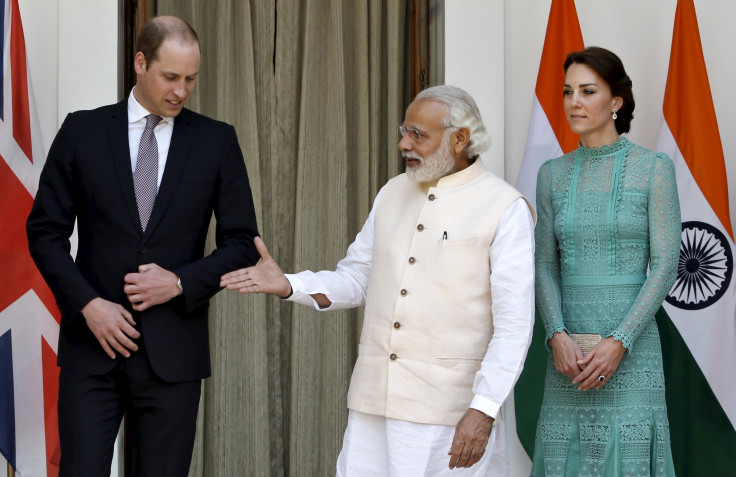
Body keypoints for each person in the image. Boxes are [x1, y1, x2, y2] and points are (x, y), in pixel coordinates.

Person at [221, 85, 536, 476]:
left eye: (418, 134)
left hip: (450, 413)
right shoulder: (392, 192)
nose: (405, 143)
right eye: (404, 131)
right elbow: (357, 278)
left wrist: (484, 408)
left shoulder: (504, 207)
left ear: (459, 138)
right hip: (373, 405)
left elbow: (514, 325)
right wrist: (289, 285)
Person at [26, 16, 259, 476]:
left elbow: (242, 244)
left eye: (191, 79)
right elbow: (44, 232)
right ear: (139, 62)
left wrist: (178, 282)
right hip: (91, 352)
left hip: (174, 356)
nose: (181, 90)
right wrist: (88, 305)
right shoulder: (82, 131)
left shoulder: (217, 141)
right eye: (170, 77)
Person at [530, 46, 680, 476]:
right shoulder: (552, 174)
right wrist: (556, 335)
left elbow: (666, 263)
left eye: (588, 91)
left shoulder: (654, 168)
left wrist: (620, 341)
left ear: (616, 102)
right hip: (568, 357)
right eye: (568, 91)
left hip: (632, 353)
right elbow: (544, 264)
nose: (574, 101)